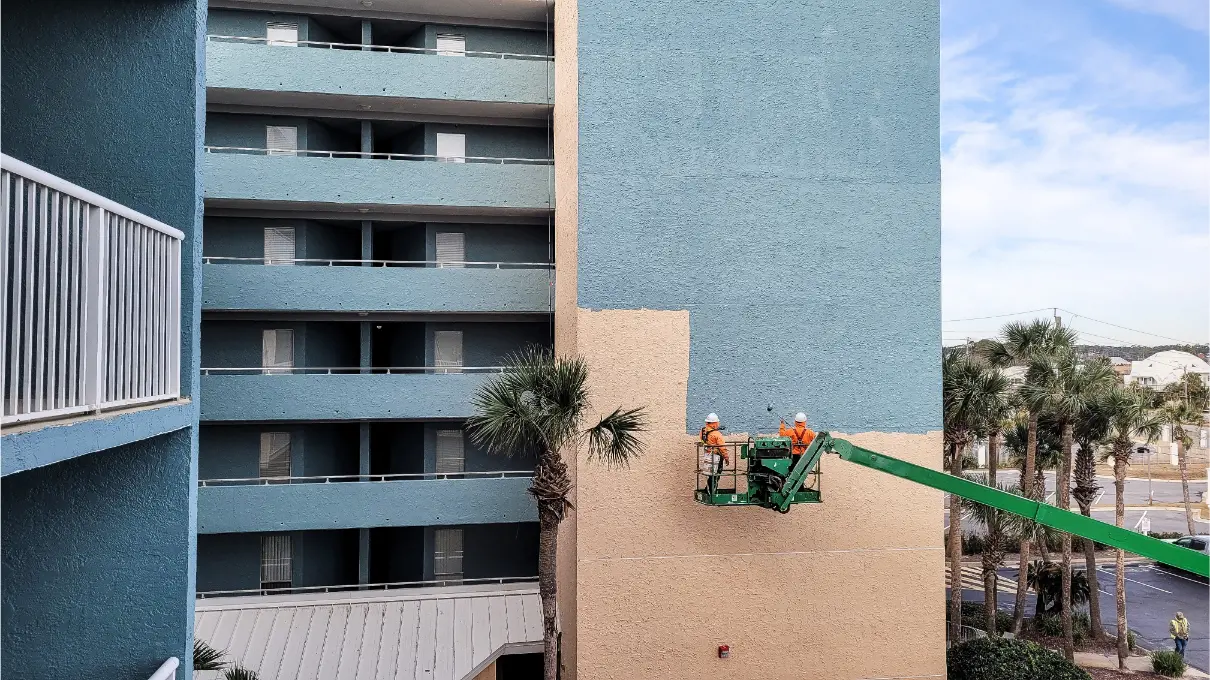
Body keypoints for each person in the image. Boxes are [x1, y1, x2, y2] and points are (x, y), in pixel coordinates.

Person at [699, 413, 729, 496]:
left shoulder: (703, 430)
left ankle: (708, 489)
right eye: (717, 422)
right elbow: (722, 447)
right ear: (714, 423)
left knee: (710, 473)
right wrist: (726, 457)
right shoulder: (716, 434)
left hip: (708, 455)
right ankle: (711, 492)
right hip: (716, 456)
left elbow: (702, 439)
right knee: (716, 474)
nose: (718, 424)